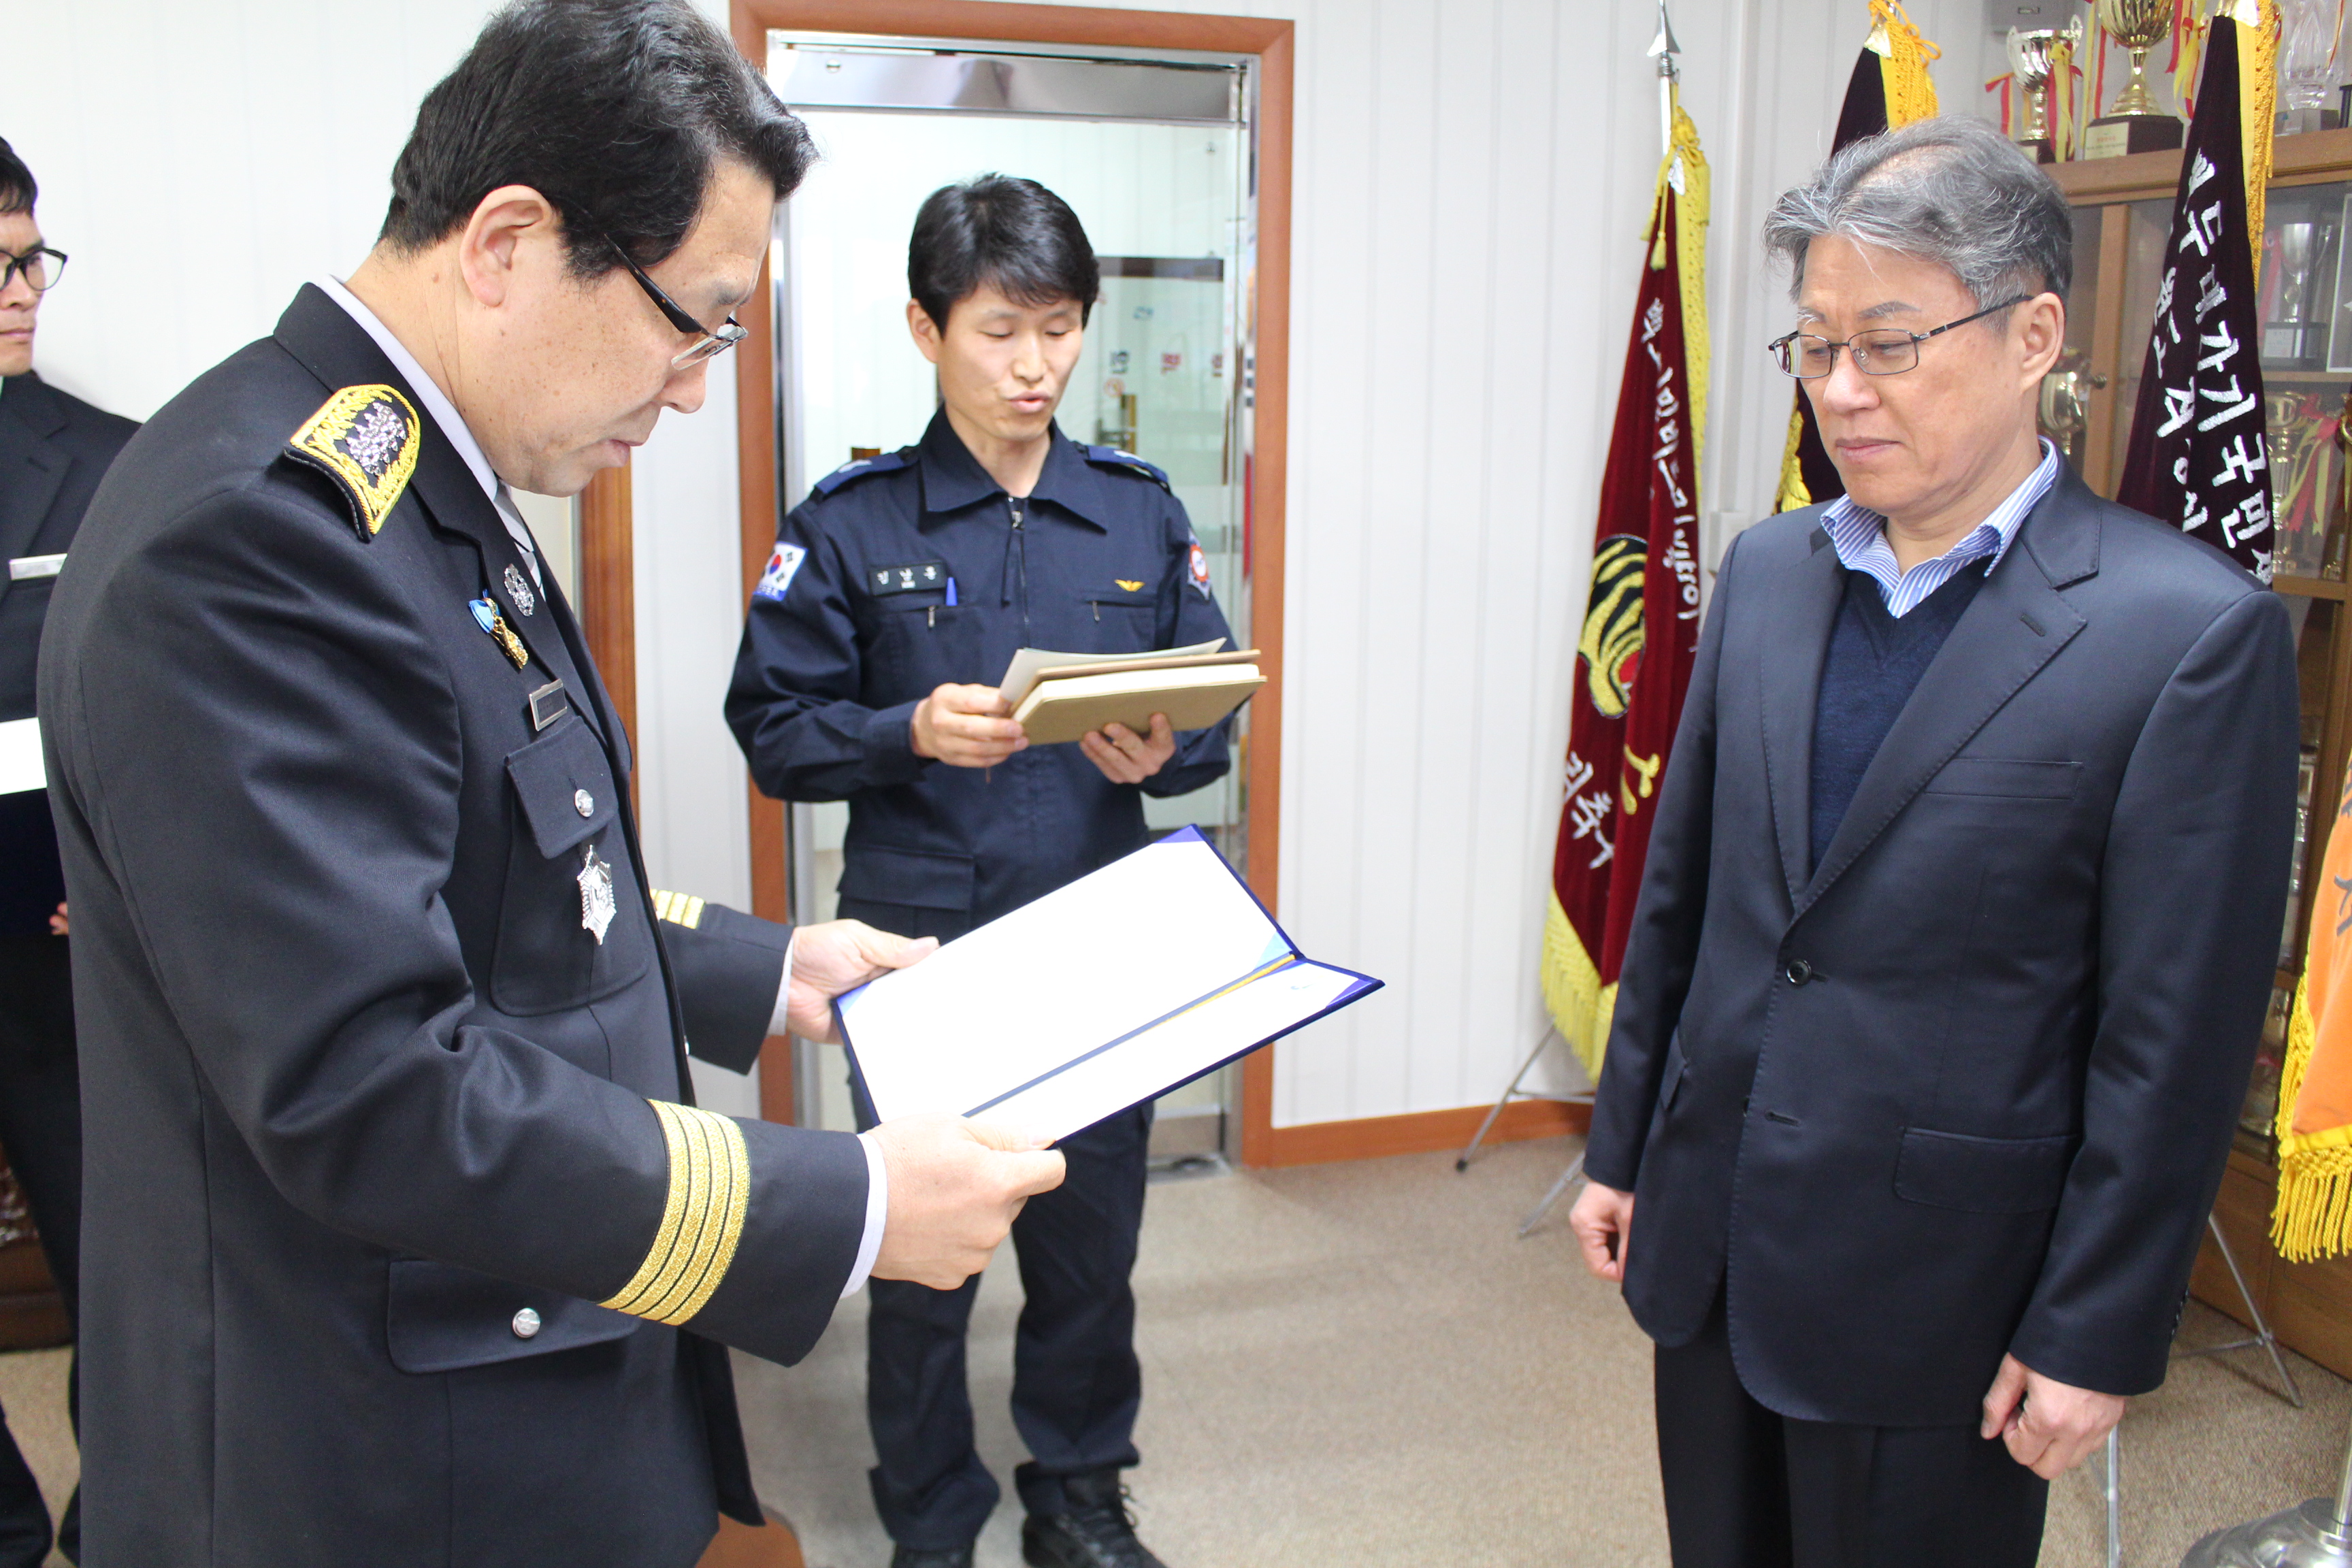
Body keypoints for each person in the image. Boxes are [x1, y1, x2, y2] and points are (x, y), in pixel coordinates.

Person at [37, 5, 1065, 1565]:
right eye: (694, 322)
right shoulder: (263, 541)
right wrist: (845, 1204)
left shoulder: (428, 477)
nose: (697, 389)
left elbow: (492, 872)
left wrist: (768, 964)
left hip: (512, 1358)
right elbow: (372, 1084)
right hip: (379, 1458)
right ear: (509, 244)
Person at [1566, 115, 2300, 1568]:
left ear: (2035, 337)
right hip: (1714, 1237)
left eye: (1890, 345)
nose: (1842, 390)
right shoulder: (1771, 571)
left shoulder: (2184, 633)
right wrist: (1628, 1143)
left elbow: (2173, 1038)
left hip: (1948, 1293)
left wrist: (2096, 1326)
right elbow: (1687, 894)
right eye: (1816, 346)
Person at [726, 175, 1235, 1568]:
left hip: (1098, 942)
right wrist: (903, 730)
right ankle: (932, 1519)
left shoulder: (1134, 511)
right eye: (1001, 331)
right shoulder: (852, 521)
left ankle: (1076, 1495)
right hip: (920, 953)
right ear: (926, 328)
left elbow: (1209, 705)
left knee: (1092, 1247)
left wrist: (1167, 751)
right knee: (918, 1263)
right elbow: (772, 728)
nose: (1035, 367)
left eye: (1060, 330)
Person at [0, 133, 131, 1568]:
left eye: (35, 259)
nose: (26, 291)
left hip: (56, 928)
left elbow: (151, 712)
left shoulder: (109, 464)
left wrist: (116, 870)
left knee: (115, 1249)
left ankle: (122, 1522)